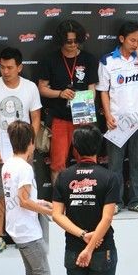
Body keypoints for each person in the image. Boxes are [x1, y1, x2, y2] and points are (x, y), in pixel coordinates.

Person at [52, 125, 124, 275]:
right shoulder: (109, 177)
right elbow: (107, 218)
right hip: (102, 252)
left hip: (74, 251)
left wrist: (82, 237)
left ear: (75, 148)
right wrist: (91, 246)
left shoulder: (63, 176)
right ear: (99, 147)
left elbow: (57, 215)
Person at [0, 121, 56, 275]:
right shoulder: (24, 168)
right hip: (27, 230)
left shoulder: (8, 164)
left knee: (32, 273)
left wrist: (41, 203)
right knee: (43, 274)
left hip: (17, 226)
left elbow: (21, 198)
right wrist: (49, 212)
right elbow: (23, 201)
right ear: (31, 142)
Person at [0, 47, 42, 254]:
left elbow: (35, 118)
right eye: (2, 67)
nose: (5, 71)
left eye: (9, 67)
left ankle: (24, 237)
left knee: (25, 194)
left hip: (23, 152)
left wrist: (30, 146)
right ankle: (0, 237)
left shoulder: (30, 87)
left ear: (19, 67)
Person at [96, 20, 138, 214]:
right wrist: (108, 115)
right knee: (115, 165)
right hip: (117, 122)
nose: (135, 43)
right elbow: (103, 91)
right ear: (121, 39)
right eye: (132, 40)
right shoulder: (107, 61)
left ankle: (137, 200)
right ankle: (115, 202)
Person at [37, 19, 98, 183]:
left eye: (76, 41)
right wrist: (60, 94)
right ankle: (58, 198)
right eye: (69, 41)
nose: (73, 44)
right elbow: (42, 88)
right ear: (61, 41)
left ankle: (86, 194)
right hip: (60, 118)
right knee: (57, 164)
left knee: (86, 161)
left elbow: (92, 89)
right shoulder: (50, 60)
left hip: (83, 117)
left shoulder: (89, 59)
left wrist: (86, 105)